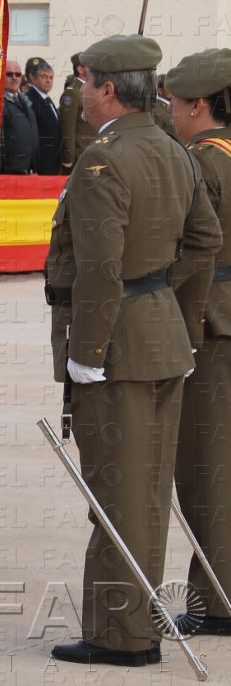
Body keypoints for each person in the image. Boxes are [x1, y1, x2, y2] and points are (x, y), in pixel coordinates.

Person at [46, 35, 222, 668]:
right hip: (163, 336)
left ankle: (121, 633)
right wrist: (169, 303)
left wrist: (86, 350)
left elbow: (98, 267)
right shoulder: (175, 150)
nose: (82, 96)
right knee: (146, 491)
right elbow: (205, 240)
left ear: (108, 90)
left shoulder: (103, 161)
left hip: (115, 344)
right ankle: (137, 620)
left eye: (85, 84)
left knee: (117, 496)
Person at [165, 48, 231, 637]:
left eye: (175, 103)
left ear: (200, 105)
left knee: (207, 471)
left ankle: (219, 599)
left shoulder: (200, 164)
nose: (171, 113)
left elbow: (189, 251)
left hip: (211, 323)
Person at [0, 60, 39, 174]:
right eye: (9, 74)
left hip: (27, 168)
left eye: (18, 74)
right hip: (9, 169)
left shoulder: (24, 100)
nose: (14, 77)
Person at [59, 52, 94, 172]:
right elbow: (68, 128)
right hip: (80, 156)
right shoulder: (72, 93)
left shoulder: (92, 89)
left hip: (93, 154)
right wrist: (68, 161)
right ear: (80, 69)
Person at [26, 57, 61, 175]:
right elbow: (30, 134)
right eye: (44, 77)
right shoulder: (30, 99)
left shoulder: (46, 98)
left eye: (51, 77)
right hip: (40, 164)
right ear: (33, 78)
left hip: (52, 161)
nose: (48, 81)